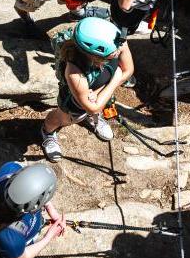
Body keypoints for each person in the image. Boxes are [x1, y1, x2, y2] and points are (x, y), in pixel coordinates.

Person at [41, 16, 134, 162]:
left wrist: (99, 93)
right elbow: (93, 107)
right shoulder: (74, 72)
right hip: (73, 99)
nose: (119, 51)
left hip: (98, 91)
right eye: (113, 52)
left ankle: (93, 120)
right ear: (95, 56)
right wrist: (115, 79)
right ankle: (47, 132)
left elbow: (128, 70)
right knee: (63, 118)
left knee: (99, 107)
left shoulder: (115, 41)